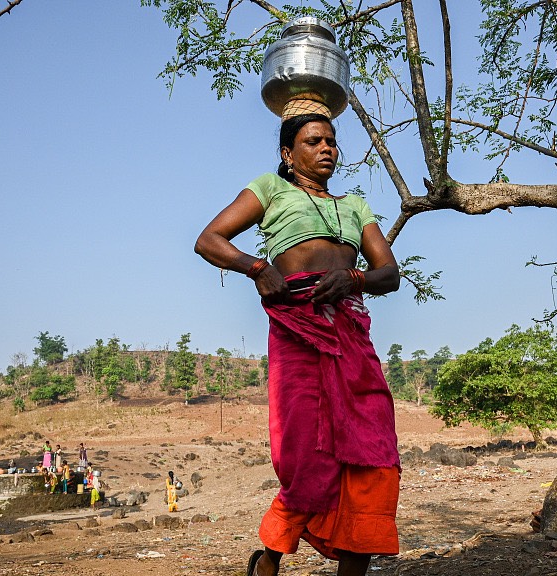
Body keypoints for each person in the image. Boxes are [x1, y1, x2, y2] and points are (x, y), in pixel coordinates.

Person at [194, 105, 401, 576]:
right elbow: (209, 239)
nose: (327, 148)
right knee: (306, 454)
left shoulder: (355, 206)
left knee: (372, 450)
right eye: (314, 142)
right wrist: (258, 267)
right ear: (288, 154)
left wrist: (354, 279)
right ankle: (269, 559)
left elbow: (388, 274)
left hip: (348, 331)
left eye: (331, 141)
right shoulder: (269, 190)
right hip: (297, 328)